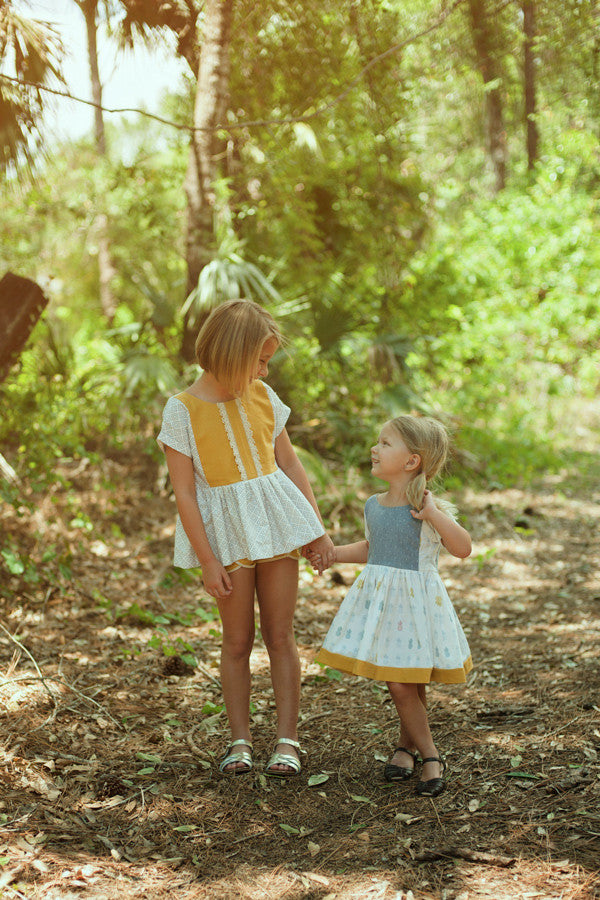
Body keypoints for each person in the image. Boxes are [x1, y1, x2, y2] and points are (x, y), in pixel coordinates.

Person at [157, 299, 334, 778]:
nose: (264, 368)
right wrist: (207, 559)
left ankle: (287, 741)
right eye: (259, 359)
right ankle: (239, 740)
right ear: (232, 354)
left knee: (280, 634)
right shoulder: (182, 411)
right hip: (226, 535)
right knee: (237, 640)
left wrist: (313, 527)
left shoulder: (262, 396)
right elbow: (186, 494)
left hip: (275, 523)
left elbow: (290, 464)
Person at [310, 415, 472, 797]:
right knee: (409, 680)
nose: (374, 448)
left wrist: (434, 514)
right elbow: (372, 549)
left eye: (385, 443)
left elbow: (463, 548)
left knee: (400, 682)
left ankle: (431, 756)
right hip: (385, 606)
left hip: (416, 608)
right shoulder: (373, 505)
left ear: (411, 461)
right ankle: (406, 748)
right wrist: (332, 555)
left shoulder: (426, 506)